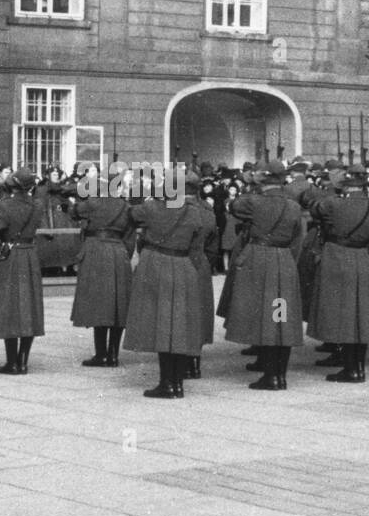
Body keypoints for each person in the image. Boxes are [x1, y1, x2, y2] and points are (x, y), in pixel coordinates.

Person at [124, 178, 212, 398]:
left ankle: (166, 383)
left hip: (156, 263)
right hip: (184, 264)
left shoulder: (151, 207)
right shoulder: (193, 211)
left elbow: (131, 215)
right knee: (180, 325)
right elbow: (199, 240)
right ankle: (178, 383)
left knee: (161, 324)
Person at [223, 162, 304, 390]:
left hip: (260, 259)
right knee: (281, 317)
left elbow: (233, 207)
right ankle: (280, 375)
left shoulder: (253, 201)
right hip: (285, 260)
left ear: (263, 180)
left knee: (265, 318)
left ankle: (269, 374)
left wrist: (251, 184)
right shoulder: (294, 206)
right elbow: (298, 239)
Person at [307, 164, 369, 382]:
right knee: (360, 317)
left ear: (344, 185)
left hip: (337, 258)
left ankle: (349, 368)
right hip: (364, 260)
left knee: (342, 315)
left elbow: (314, 208)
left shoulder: (332, 203)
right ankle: (358, 367)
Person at [70, 161, 134, 368]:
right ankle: (114, 355)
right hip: (118, 251)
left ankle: (100, 354)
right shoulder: (126, 206)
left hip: (96, 250)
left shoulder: (93, 203)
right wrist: (124, 254)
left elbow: (73, 211)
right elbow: (130, 238)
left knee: (98, 303)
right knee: (117, 305)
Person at [0, 168, 44, 374]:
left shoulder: (2, 206)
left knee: (9, 308)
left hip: (9, 257)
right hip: (29, 255)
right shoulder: (37, 205)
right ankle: (23, 361)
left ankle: (11, 362)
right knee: (28, 308)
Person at [184, 171, 220, 378]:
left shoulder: (174, 208)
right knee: (199, 313)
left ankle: (182, 360)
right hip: (201, 263)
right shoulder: (207, 209)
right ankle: (195, 362)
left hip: (181, 260)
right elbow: (213, 243)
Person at [37, 165, 82, 276]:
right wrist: (45, 226)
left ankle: (68, 266)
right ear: (48, 176)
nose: (56, 176)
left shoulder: (62, 188)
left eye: (58, 174)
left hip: (64, 220)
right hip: (50, 221)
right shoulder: (42, 189)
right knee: (51, 248)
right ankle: (50, 268)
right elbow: (41, 208)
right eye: (54, 174)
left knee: (67, 245)